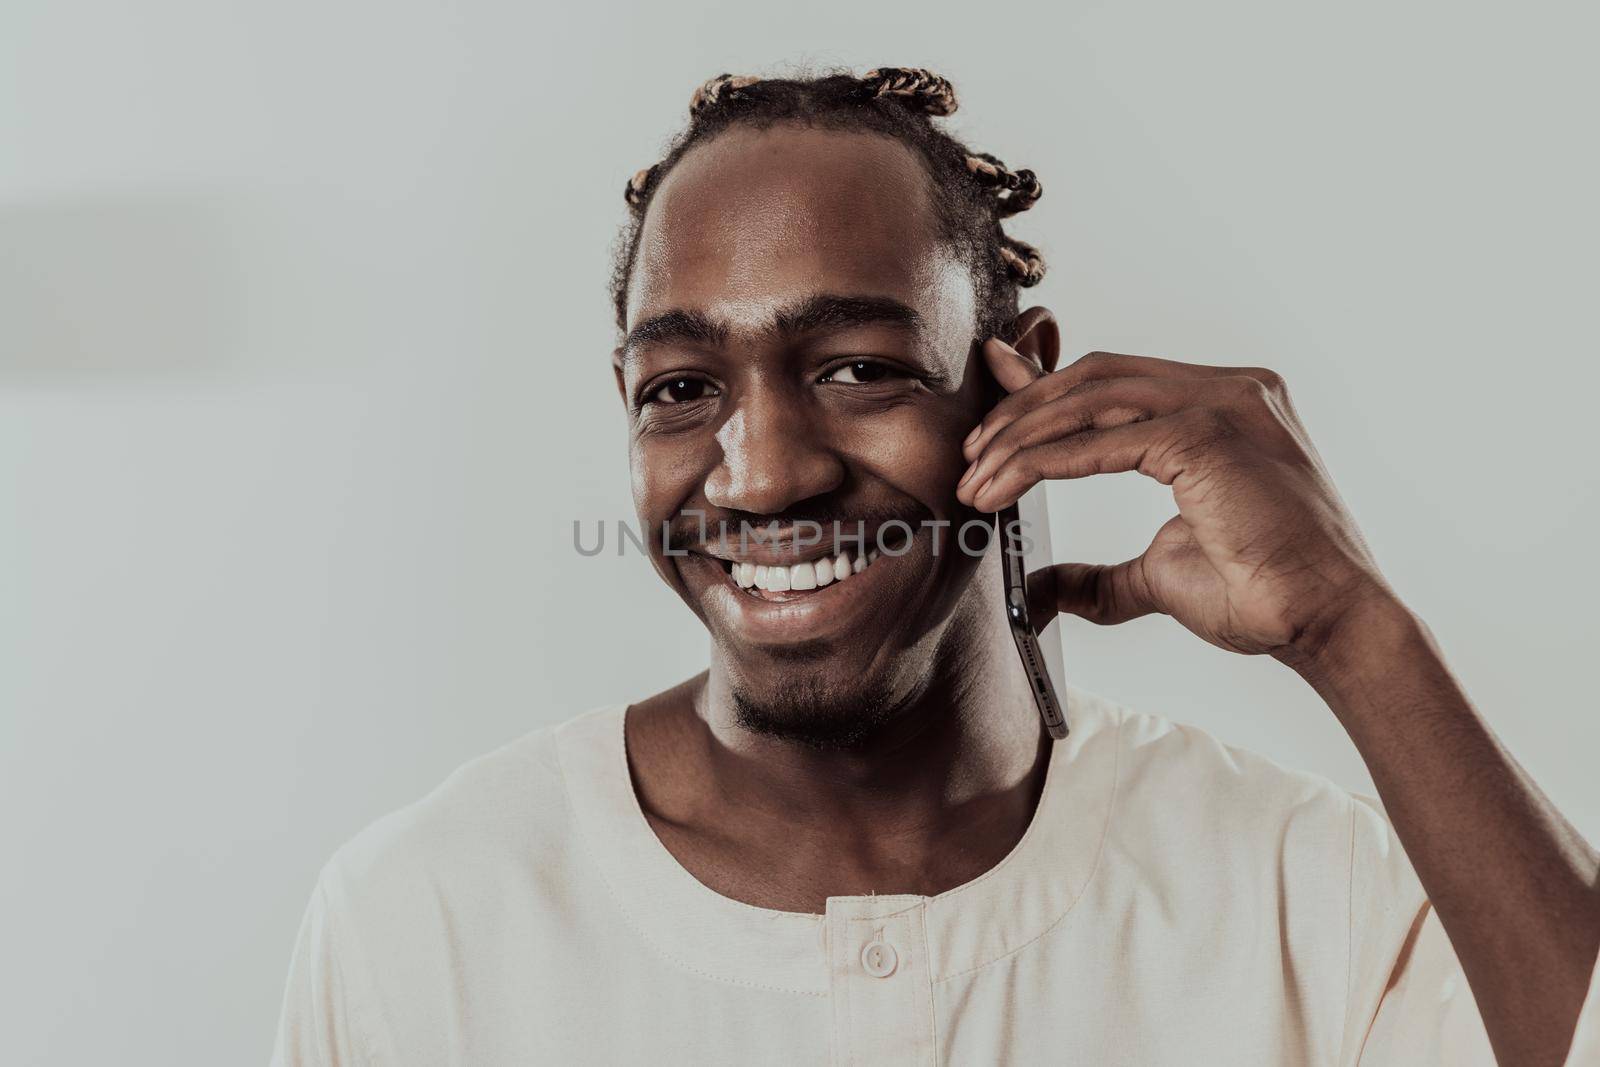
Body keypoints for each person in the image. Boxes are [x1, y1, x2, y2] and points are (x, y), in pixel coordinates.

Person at [271, 67, 1600, 1066]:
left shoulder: (1302, 895)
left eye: (857, 368)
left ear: (1017, 378)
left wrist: (1351, 632)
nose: (762, 470)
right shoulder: (428, 923)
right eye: (681, 385)